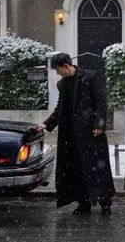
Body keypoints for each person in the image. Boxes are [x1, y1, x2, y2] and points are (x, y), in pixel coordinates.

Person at [36, 53, 115, 215]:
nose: (58, 74)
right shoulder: (63, 84)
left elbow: (101, 102)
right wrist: (46, 124)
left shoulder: (90, 77)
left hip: (92, 134)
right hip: (71, 137)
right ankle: (83, 202)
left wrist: (99, 124)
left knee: (97, 169)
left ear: (66, 66)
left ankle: (105, 202)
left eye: (58, 70)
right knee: (77, 170)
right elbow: (60, 109)